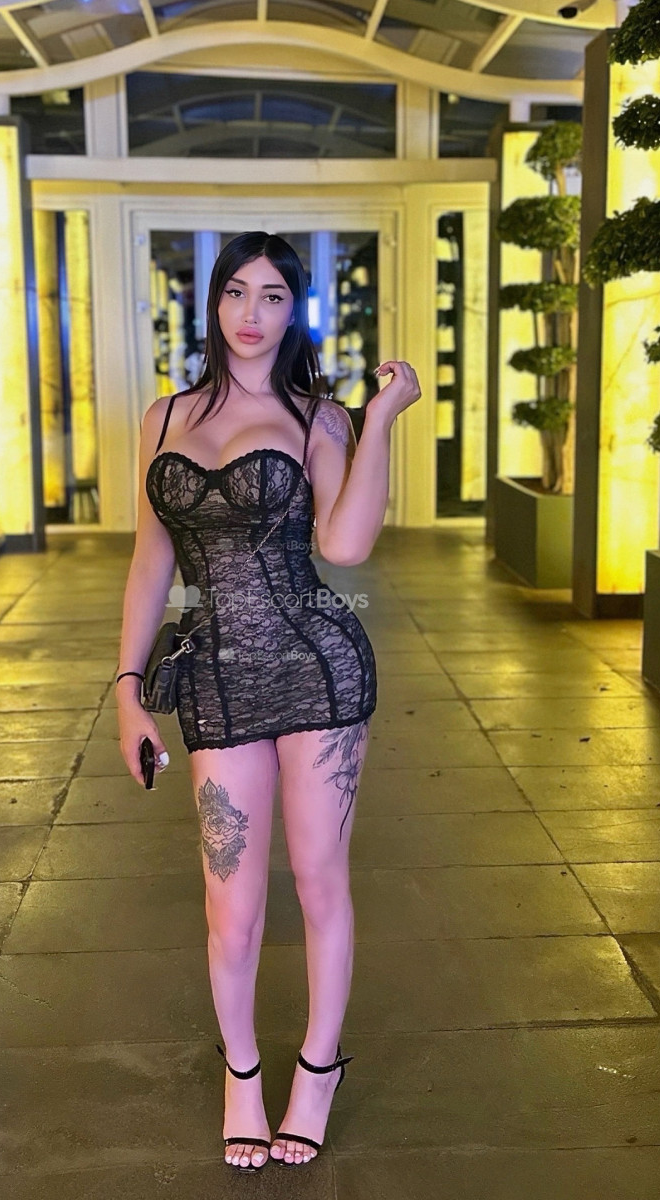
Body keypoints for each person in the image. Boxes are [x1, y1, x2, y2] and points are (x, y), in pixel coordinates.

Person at [115, 231, 421, 1171]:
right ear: (213, 303)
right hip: (216, 675)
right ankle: (241, 1074)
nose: (252, 313)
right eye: (237, 293)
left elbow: (347, 545)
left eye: (274, 296)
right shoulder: (165, 416)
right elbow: (152, 557)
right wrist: (127, 689)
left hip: (318, 670)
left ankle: (318, 1070)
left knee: (320, 878)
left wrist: (380, 419)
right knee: (230, 903)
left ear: (296, 311)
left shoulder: (316, 418)